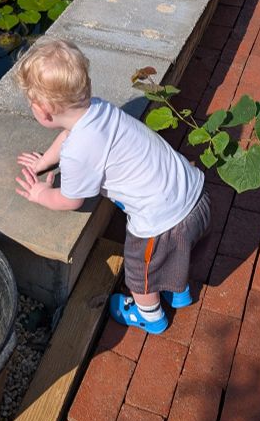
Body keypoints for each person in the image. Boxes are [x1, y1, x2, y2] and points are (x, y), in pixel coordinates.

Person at [14, 37, 210, 335]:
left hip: (163, 223)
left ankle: (149, 315)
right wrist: (44, 162)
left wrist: (41, 193)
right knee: (175, 249)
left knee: (139, 268)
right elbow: (68, 134)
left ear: (43, 110)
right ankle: (177, 290)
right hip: (194, 193)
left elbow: (71, 200)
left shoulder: (79, 151)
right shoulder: (97, 109)